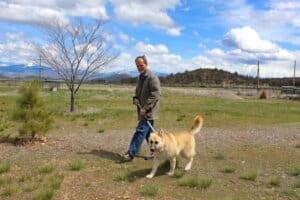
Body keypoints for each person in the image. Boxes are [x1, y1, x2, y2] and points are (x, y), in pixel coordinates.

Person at [121, 55, 161, 162]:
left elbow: (156, 94)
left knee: (140, 132)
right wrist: (135, 98)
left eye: (141, 65)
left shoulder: (152, 77)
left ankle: (131, 153)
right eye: (137, 66)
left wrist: (146, 107)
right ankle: (156, 152)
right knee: (150, 135)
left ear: (146, 64)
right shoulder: (140, 77)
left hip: (148, 112)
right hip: (142, 110)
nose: (139, 67)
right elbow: (138, 92)